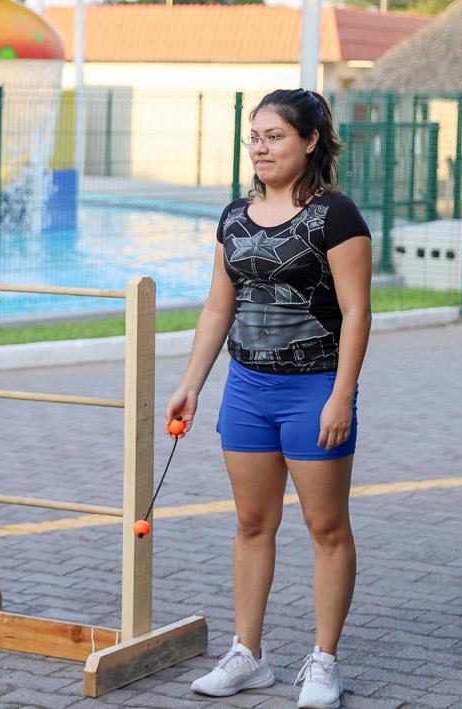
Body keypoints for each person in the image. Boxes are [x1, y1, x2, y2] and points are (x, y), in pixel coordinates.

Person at [167, 89, 371, 709]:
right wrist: (191, 384)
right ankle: (248, 655)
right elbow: (217, 307)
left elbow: (358, 312)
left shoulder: (336, 215)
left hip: (314, 389)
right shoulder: (234, 216)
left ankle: (324, 661)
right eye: (254, 137)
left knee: (325, 526)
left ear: (310, 141)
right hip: (247, 389)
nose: (260, 147)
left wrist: (341, 395)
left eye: (275, 136)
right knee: (252, 523)